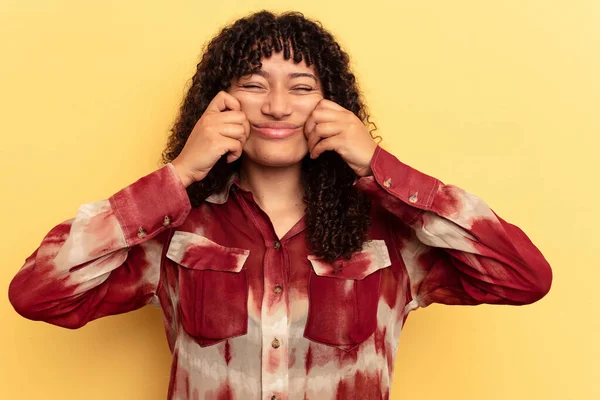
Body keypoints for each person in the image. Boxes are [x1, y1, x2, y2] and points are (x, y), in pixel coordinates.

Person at [7, 9, 553, 400]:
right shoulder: (178, 231)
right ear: (218, 102)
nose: (275, 107)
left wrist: (379, 167)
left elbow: (522, 277)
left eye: (301, 87)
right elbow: (38, 294)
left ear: (331, 103)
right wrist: (179, 175)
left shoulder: (392, 236)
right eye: (253, 84)